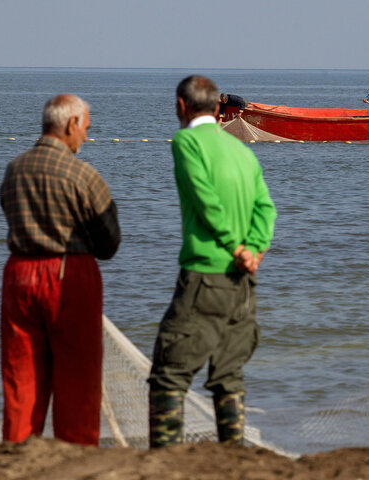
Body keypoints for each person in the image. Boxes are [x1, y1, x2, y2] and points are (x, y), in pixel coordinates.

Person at [147, 75, 277, 448]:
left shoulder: (186, 141)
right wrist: (254, 249)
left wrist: (236, 247)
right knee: (229, 372)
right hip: (243, 280)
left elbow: (204, 199)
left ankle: (163, 460)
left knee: (169, 372)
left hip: (206, 271)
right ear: (217, 107)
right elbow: (265, 208)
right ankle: (232, 455)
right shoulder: (241, 150)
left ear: (181, 106)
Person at [0, 94, 121, 446]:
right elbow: (109, 241)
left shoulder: (15, 169)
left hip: (19, 275)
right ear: (71, 124)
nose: (86, 136)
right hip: (70, 274)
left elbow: (7, 207)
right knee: (78, 378)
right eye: (86, 128)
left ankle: (18, 448)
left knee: (21, 375)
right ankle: (77, 451)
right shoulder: (83, 175)